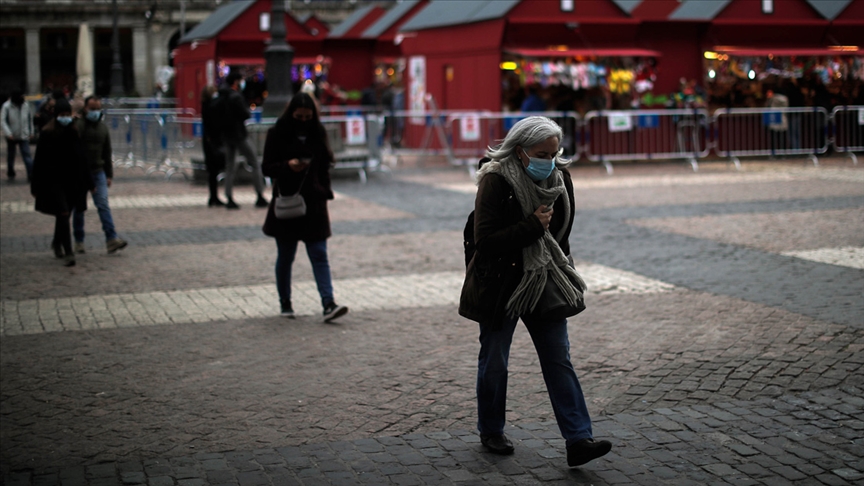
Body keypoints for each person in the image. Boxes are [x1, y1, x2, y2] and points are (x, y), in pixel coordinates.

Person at [458, 116, 611, 467]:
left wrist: (562, 271)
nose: (550, 160)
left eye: (555, 153)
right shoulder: (496, 181)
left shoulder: (561, 179)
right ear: (521, 150)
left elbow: (562, 235)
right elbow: (486, 240)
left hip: (543, 280)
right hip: (501, 283)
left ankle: (578, 439)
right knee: (495, 360)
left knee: (559, 358)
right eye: (542, 153)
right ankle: (491, 429)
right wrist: (529, 227)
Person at [261, 92, 348, 323]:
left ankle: (328, 303)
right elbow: (266, 167)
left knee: (319, 254)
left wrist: (325, 192)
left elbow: (325, 165)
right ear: (291, 114)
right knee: (286, 256)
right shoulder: (277, 133)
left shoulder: (317, 133)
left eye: (307, 116)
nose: (303, 120)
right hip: (288, 201)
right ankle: (285, 302)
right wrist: (288, 166)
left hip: (314, 203)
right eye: (299, 116)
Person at [30, 97, 94, 267]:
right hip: (54, 182)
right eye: (62, 114)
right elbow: (39, 161)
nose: (65, 117)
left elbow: (82, 159)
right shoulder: (47, 133)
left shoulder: (73, 132)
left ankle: (57, 242)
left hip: (72, 182)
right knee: (64, 212)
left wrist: (90, 182)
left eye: (68, 114)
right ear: (56, 115)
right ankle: (68, 252)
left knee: (64, 215)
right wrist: (35, 184)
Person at [71, 95, 128, 254]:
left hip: (98, 172)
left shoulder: (103, 128)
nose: (95, 112)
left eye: (97, 109)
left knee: (103, 204)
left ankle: (111, 238)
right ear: (85, 108)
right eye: (92, 108)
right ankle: (79, 240)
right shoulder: (79, 126)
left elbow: (107, 152)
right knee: (79, 208)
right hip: (81, 173)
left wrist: (109, 174)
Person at [217, 72, 267, 210]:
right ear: (236, 82)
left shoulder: (221, 96)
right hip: (239, 135)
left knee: (230, 166)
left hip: (227, 135)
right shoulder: (236, 97)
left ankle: (229, 196)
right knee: (254, 163)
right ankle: (259, 194)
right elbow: (245, 114)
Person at [200, 85, 226, 206]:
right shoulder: (209, 106)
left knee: (212, 172)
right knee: (213, 170)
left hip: (209, 140)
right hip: (212, 141)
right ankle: (213, 196)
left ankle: (213, 196)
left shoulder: (206, 105)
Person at [1, 90, 35, 182]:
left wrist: (31, 132)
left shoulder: (25, 105)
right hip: (12, 135)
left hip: (23, 135)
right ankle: (10, 171)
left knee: (27, 155)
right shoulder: (6, 106)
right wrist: (8, 133)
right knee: (11, 155)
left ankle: (30, 174)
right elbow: (3, 121)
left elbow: (29, 119)